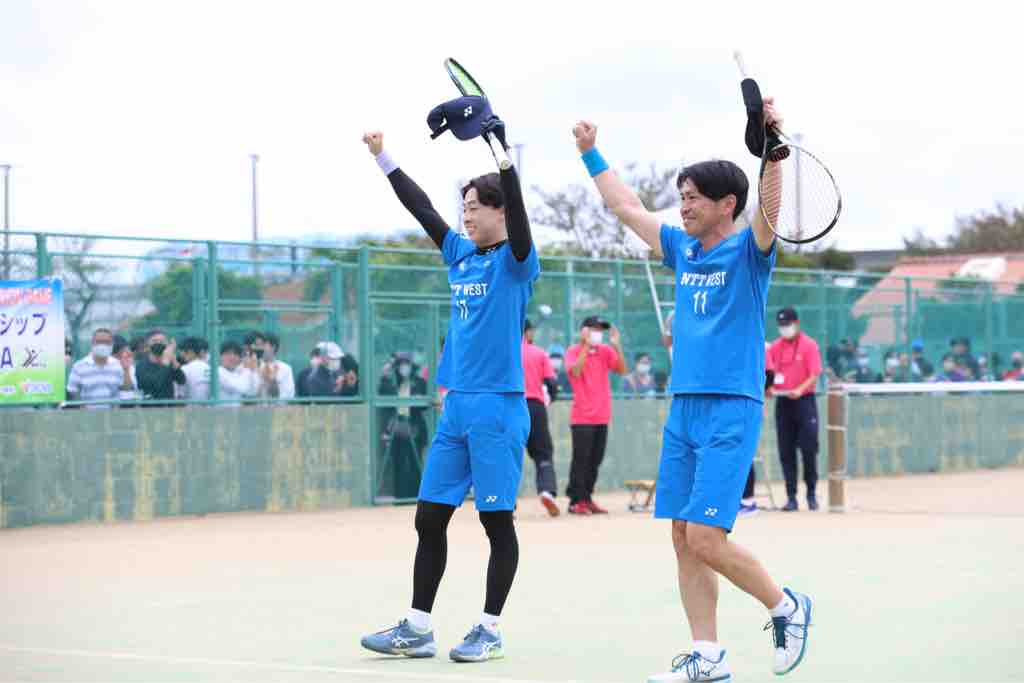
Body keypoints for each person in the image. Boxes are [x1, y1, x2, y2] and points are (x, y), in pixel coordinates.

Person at [573, 99, 812, 681]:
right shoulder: (681, 248)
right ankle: (707, 658)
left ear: (725, 204)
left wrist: (771, 140)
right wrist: (590, 153)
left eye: (693, 197)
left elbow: (770, 207)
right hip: (684, 408)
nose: (683, 205)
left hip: (731, 407)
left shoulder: (750, 252)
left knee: (707, 535)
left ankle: (786, 606)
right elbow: (626, 205)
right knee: (683, 537)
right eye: (681, 196)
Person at [359, 113, 538, 663]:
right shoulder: (460, 256)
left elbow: (522, 217)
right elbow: (421, 209)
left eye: (475, 206)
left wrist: (501, 153)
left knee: (494, 521)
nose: (465, 214)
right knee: (429, 516)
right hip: (457, 406)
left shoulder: (516, 261)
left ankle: (490, 628)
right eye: (463, 206)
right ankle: (417, 627)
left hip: (499, 409)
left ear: (501, 212)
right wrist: (383, 157)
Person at [565, 316, 626, 514]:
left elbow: (622, 370)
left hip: (602, 415)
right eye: (595, 328)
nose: (599, 332)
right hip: (582, 417)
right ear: (584, 331)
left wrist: (617, 346)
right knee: (581, 460)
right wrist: (585, 346)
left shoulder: (605, 351)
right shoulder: (573, 351)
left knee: (595, 461)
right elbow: (575, 371)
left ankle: (587, 497)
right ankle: (576, 501)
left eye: (601, 329)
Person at [767, 308, 823, 512]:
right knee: (786, 450)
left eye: (788, 324)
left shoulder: (809, 345)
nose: (785, 329)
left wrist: (800, 390)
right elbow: (769, 372)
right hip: (783, 403)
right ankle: (791, 497)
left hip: (804, 401)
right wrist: (769, 388)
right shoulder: (775, 347)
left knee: (809, 448)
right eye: (781, 325)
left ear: (796, 323)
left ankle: (811, 494)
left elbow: (814, 373)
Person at [521, 319, 560, 517]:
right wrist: (549, 399)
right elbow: (552, 385)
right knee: (543, 454)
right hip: (535, 406)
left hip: (510, 406)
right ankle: (546, 491)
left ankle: (506, 504)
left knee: (508, 456)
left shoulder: (503, 352)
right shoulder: (538, 353)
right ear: (527, 333)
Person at [377, 353, 430, 500]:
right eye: (401, 364)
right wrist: (385, 375)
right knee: (398, 462)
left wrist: (417, 400)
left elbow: (424, 404)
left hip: (414, 426)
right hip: (397, 426)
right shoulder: (392, 382)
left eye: (407, 364)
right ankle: (400, 496)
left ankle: (416, 495)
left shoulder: (419, 382)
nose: (404, 367)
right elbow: (383, 394)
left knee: (415, 461)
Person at [739, 343, 775, 517]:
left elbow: (769, 375)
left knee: (744, 452)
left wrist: (756, 394)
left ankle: (748, 499)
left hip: (748, 405)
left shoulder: (760, 345)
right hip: (731, 404)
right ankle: (738, 498)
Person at [66, 328, 125, 409]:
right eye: (99, 342)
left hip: (113, 416)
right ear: (92, 343)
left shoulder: (118, 365)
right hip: (86, 416)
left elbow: (123, 390)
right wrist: (81, 407)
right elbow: (72, 390)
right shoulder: (79, 366)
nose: (103, 345)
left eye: (106, 342)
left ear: (112, 344)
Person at [135, 329, 186, 405]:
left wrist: (174, 361)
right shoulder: (141, 365)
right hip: (149, 410)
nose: (159, 343)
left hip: (169, 408)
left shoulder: (169, 362)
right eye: (155, 341)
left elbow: (182, 380)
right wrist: (165, 363)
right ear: (147, 345)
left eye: (162, 341)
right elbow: (155, 384)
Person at [253, 332, 295, 401]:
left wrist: (273, 382)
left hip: (279, 410)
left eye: (263, 344)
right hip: (254, 410)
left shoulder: (285, 368)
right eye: (257, 345)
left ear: (273, 347)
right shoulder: (252, 366)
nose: (259, 348)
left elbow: (289, 395)